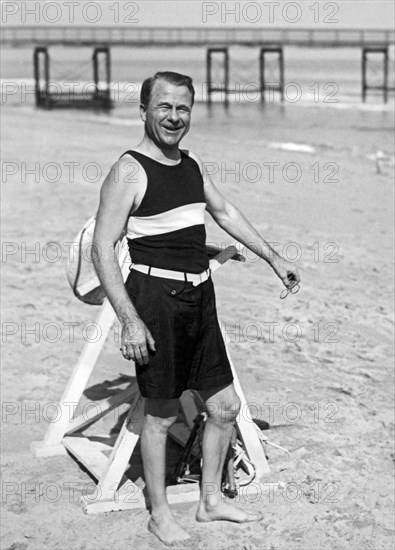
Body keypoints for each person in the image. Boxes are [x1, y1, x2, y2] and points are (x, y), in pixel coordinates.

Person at [92, 71, 300, 545]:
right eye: (164, 106)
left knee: (224, 407)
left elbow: (224, 212)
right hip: (156, 300)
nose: (174, 116)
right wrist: (129, 318)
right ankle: (159, 512)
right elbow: (102, 248)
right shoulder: (129, 169)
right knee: (161, 414)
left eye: (183, 108)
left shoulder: (191, 164)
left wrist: (274, 257)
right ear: (143, 110)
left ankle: (209, 502)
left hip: (201, 298)